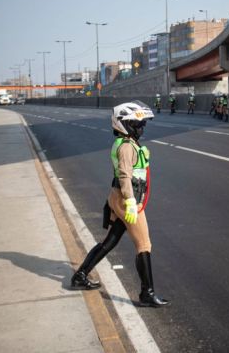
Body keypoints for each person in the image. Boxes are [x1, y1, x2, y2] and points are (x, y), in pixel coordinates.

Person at [71, 101, 169, 307]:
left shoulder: (127, 144)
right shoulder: (126, 147)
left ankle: (80, 275)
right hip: (127, 200)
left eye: (142, 124)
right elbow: (125, 176)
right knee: (144, 245)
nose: (142, 128)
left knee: (110, 242)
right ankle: (147, 293)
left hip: (118, 198)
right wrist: (131, 202)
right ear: (125, 125)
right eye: (137, 124)